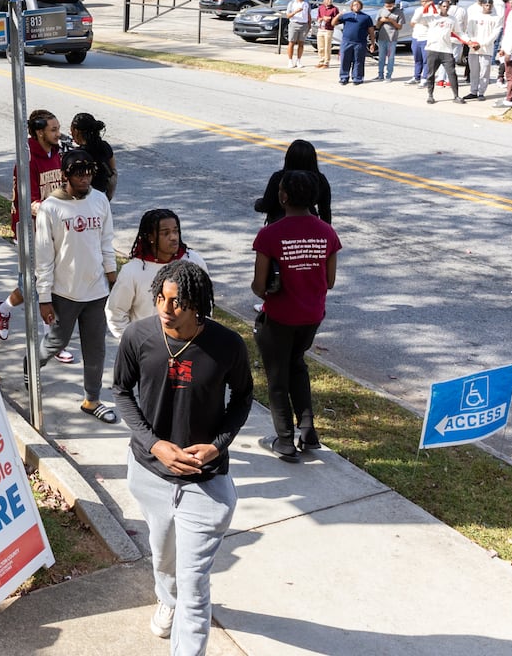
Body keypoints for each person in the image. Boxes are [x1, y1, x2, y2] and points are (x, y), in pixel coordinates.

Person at [113, 260, 252, 652]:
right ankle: (166, 599)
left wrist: (217, 444)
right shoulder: (138, 336)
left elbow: (242, 399)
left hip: (204, 486)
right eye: (160, 298)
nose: (165, 308)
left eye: (176, 302)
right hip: (150, 475)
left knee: (194, 587)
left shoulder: (227, 346)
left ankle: (184, 622)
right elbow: (122, 392)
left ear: (196, 306)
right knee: (164, 560)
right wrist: (154, 444)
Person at [251, 169, 340, 462]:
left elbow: (259, 286)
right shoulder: (327, 233)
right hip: (312, 317)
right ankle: (308, 433)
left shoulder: (269, 234)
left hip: (279, 318)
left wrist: (273, 289)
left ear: (283, 196)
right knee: (297, 366)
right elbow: (330, 281)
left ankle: (285, 441)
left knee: (278, 377)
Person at [29, 149, 119, 423]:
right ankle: (30, 366)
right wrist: (44, 297)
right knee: (57, 342)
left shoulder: (100, 200)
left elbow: (106, 242)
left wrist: (112, 277)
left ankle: (92, 400)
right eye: (79, 174)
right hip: (64, 292)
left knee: (96, 350)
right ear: (65, 175)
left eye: (89, 173)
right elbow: (44, 256)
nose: (85, 179)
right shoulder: (51, 208)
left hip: (96, 291)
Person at [0, 110, 66, 351]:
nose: (58, 133)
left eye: (58, 128)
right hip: (30, 232)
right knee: (35, 285)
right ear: (39, 132)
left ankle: (5, 310)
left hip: (53, 230)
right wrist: (56, 211)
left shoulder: (56, 153)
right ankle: (50, 340)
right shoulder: (28, 160)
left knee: (44, 285)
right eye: (53, 130)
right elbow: (29, 203)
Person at [106, 209, 209, 342]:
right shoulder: (132, 271)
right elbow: (116, 313)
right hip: (149, 348)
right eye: (165, 233)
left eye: (175, 231)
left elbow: (206, 303)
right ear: (150, 237)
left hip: (189, 344)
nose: (173, 237)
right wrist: (134, 344)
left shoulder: (194, 261)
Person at [254, 139, 331, 225]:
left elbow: (266, 205)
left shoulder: (279, 177)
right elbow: (325, 211)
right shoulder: (320, 180)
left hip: (279, 223)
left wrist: (258, 204)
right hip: (310, 224)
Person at [422, 0, 466, 104]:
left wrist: (469, 41)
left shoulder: (452, 19)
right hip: (432, 49)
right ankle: (430, 95)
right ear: (439, 7)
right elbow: (421, 19)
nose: (445, 8)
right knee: (431, 74)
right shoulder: (433, 18)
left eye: (447, 6)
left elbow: (459, 32)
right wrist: (426, 6)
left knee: (452, 72)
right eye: (443, 6)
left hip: (446, 50)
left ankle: (456, 96)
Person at [461, 0, 502, 101]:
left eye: (490, 5)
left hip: (486, 49)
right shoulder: (475, 17)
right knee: (474, 71)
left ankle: (481, 92)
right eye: (486, 5)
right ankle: (473, 91)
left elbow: (494, 35)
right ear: (482, 5)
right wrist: (473, 43)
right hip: (473, 48)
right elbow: (469, 31)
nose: (488, 7)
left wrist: (482, 44)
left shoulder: (496, 18)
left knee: (484, 71)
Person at [69, 112, 117, 201]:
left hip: (83, 200)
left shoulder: (77, 155)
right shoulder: (105, 146)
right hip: (102, 197)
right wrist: (108, 197)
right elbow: (113, 173)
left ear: (76, 131)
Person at [334, 0, 376, 85]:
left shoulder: (366, 17)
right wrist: (338, 15)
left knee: (358, 61)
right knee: (345, 60)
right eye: (354, 5)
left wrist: (372, 43)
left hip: (360, 43)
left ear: (361, 6)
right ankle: (344, 77)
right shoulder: (347, 16)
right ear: (351, 7)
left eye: (358, 5)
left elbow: (371, 31)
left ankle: (357, 78)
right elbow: (333, 23)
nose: (356, 6)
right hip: (347, 42)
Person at [372, 0, 404, 81]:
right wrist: (381, 21)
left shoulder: (399, 12)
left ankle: (389, 76)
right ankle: (380, 75)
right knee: (381, 57)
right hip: (382, 37)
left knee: (390, 58)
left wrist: (391, 21)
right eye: (387, 6)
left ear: (394, 4)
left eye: (390, 6)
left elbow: (400, 27)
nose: (388, 8)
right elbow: (377, 26)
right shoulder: (381, 11)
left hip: (392, 38)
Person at [407, 0, 436, 84]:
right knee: (417, 59)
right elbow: (412, 23)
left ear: (431, 1)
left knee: (426, 60)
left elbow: (433, 24)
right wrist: (423, 10)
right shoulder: (419, 10)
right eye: (423, 1)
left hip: (426, 37)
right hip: (416, 36)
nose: (424, 3)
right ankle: (416, 77)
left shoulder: (434, 11)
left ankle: (425, 78)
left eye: (426, 1)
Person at [285, 0, 311, 68]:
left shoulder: (306, 3)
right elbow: (288, 15)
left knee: (301, 43)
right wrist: (296, 11)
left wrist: (309, 25)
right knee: (291, 42)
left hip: (304, 25)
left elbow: (308, 14)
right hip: (294, 24)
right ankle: (290, 60)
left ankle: (298, 60)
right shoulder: (292, 3)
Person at [315, 0, 341, 69]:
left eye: (330, 0)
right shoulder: (321, 7)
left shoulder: (334, 9)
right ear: (324, 1)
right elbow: (318, 16)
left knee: (327, 46)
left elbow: (337, 19)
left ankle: (326, 62)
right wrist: (320, 19)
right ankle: (321, 61)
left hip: (328, 29)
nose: (329, 1)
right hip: (321, 28)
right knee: (320, 47)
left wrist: (330, 18)